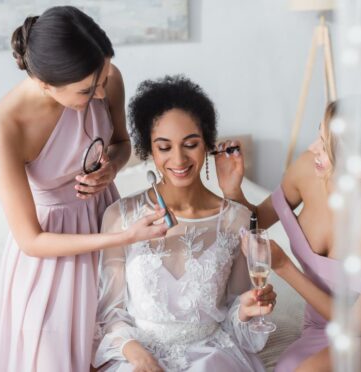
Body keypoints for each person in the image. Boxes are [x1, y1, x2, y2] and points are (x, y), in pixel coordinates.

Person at [0, 6, 168, 372]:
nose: (98, 94)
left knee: (125, 343)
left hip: (106, 221)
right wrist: (123, 238)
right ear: (44, 84)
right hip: (52, 255)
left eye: (102, 78)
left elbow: (122, 144)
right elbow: (31, 240)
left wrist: (111, 168)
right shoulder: (5, 128)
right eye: (85, 90)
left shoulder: (107, 80)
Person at [215, 95, 361, 371]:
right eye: (319, 135)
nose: (313, 148)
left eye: (326, 146)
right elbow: (256, 221)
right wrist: (232, 191)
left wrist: (284, 265)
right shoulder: (307, 169)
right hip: (320, 325)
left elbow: (355, 324)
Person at [93, 75, 276, 372]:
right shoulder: (120, 216)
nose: (178, 159)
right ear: (149, 150)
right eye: (164, 147)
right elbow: (109, 313)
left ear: (206, 144)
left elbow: (235, 318)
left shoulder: (235, 219)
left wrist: (246, 310)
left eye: (190, 144)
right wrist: (136, 354)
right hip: (138, 358)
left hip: (211, 358)